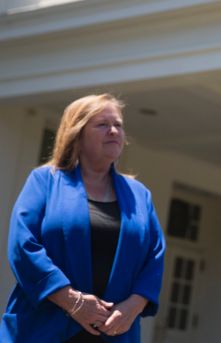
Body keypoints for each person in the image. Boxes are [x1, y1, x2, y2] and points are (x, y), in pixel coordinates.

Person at [0, 94, 166, 342]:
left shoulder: (139, 195)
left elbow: (154, 256)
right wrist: (71, 301)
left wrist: (134, 306)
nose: (113, 131)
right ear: (76, 135)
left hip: (115, 331)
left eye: (118, 125)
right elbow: (23, 245)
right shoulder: (45, 181)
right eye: (102, 125)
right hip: (44, 327)